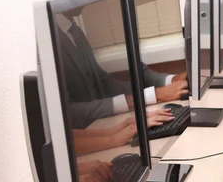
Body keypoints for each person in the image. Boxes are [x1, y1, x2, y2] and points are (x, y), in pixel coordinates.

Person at [55, 11, 188, 128]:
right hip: (88, 136)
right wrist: (152, 95)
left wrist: (169, 81)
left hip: (105, 125)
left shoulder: (75, 31)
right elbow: (68, 113)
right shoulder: (48, 40)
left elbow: (104, 82)